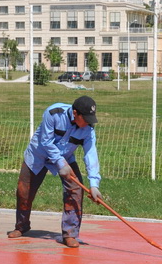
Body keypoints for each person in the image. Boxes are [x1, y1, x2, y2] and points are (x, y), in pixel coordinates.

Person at [8, 96, 102, 248]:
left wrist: (94, 184)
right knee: (23, 190)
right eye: (84, 118)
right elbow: (46, 141)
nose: (87, 122)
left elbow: (91, 155)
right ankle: (21, 226)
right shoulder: (53, 113)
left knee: (76, 191)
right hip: (38, 154)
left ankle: (70, 234)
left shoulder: (88, 128)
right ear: (75, 113)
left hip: (66, 156)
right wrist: (60, 164)